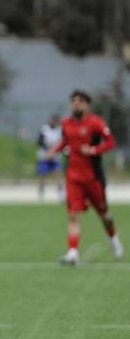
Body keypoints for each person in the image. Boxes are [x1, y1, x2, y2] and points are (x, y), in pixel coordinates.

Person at [46, 90, 123, 265]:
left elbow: (111, 142)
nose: (76, 104)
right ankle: (72, 253)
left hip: (93, 178)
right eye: (73, 101)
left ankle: (113, 239)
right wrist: (54, 151)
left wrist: (94, 150)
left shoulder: (96, 123)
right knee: (73, 215)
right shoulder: (66, 123)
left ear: (87, 104)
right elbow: (66, 142)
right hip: (73, 177)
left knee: (104, 214)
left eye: (80, 101)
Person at [36, 114, 63, 200]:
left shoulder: (59, 130)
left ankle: (60, 192)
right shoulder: (44, 129)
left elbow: (61, 143)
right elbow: (39, 141)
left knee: (58, 173)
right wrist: (48, 151)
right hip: (44, 156)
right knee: (42, 175)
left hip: (55, 157)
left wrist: (54, 152)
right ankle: (41, 192)